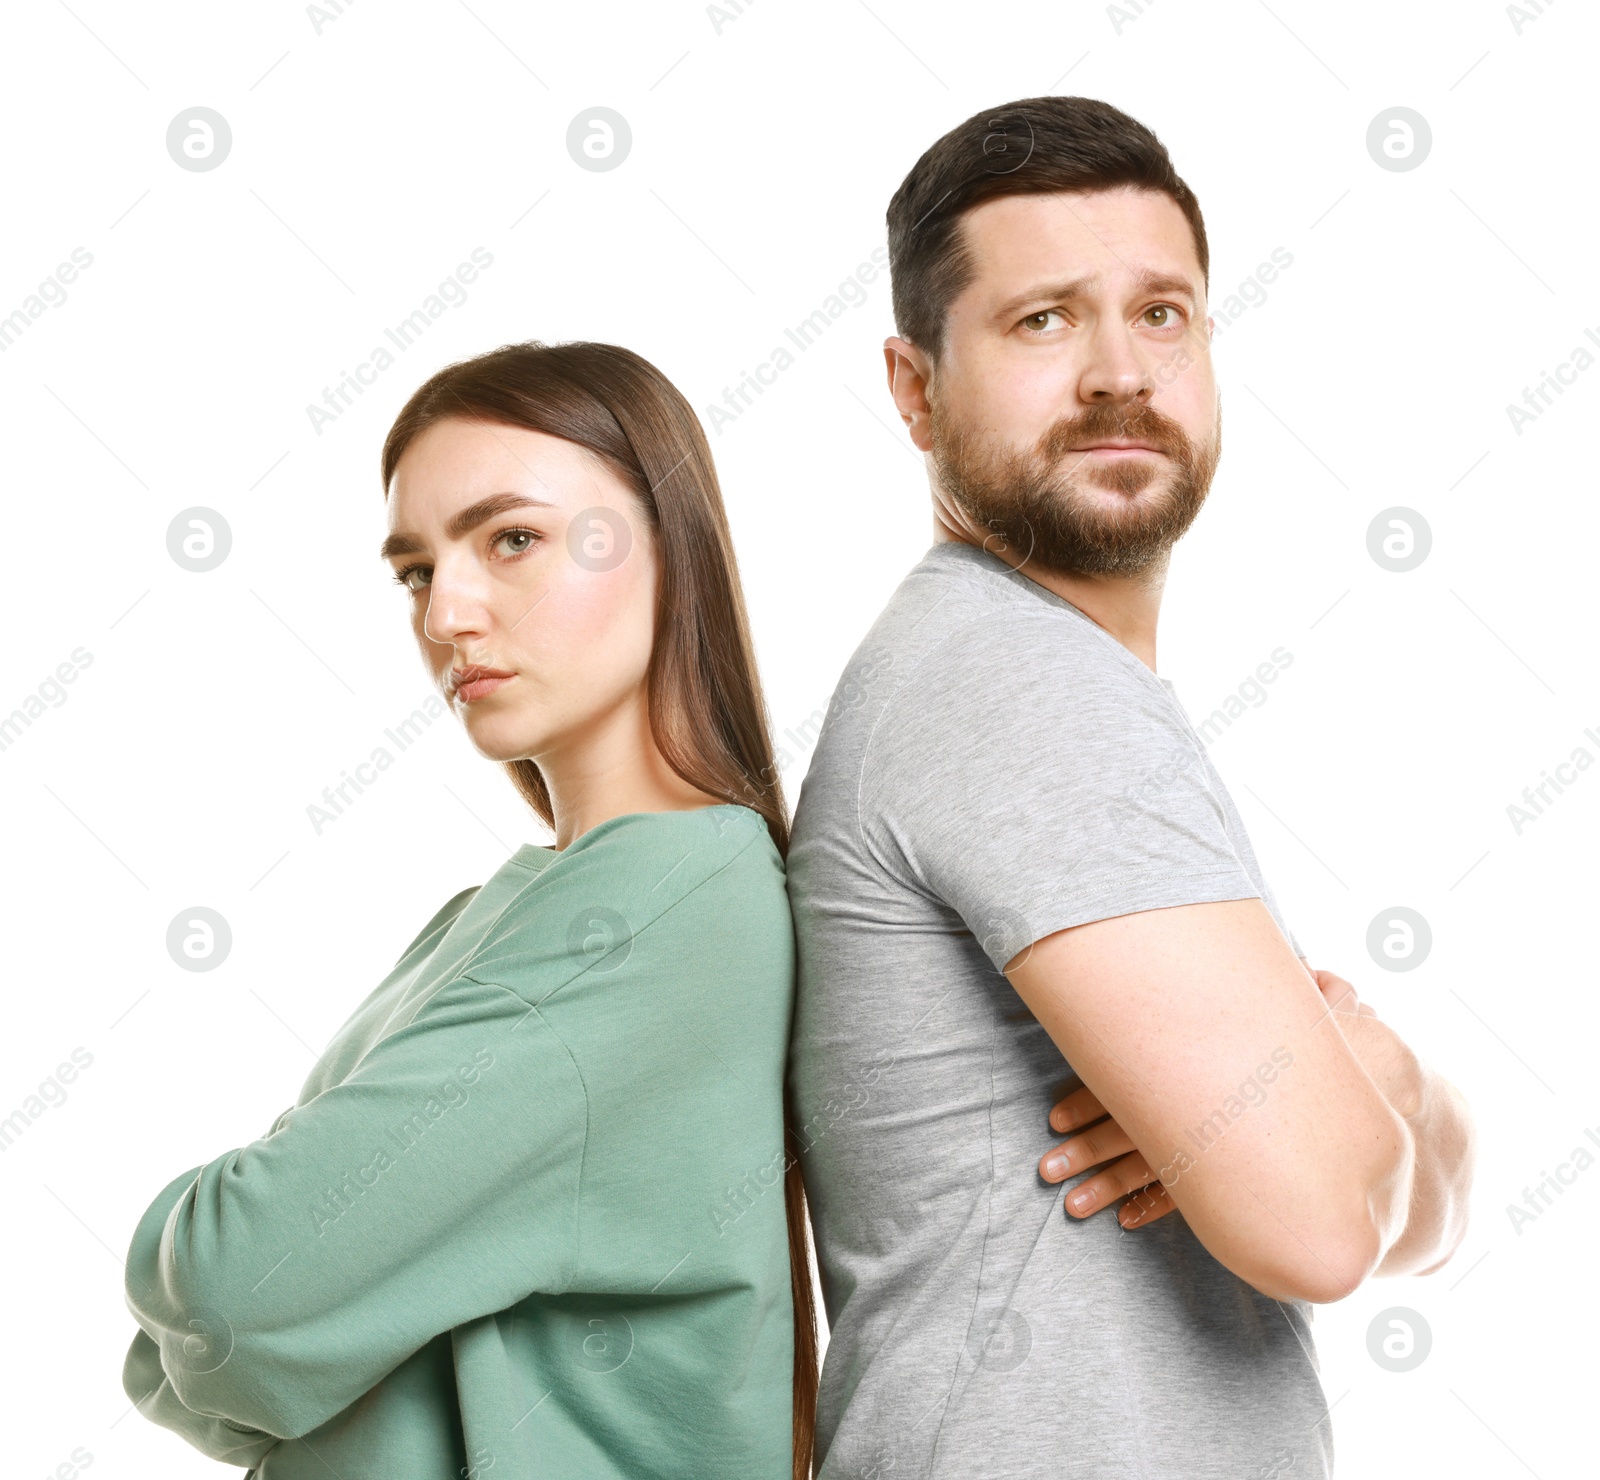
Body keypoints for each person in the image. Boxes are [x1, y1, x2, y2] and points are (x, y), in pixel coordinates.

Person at [786, 96, 1476, 1478]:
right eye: (1042, 321)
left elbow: (1408, 1202)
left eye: (1161, 314)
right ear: (913, 386)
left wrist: (1366, 1089)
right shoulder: (1017, 686)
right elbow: (1326, 1227)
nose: (1118, 372)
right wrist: (1351, 1094)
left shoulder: (1039, 677)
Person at [120, 341, 819, 1479]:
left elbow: (232, 1297)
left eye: (512, 539)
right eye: (413, 569)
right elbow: (222, 1344)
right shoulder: (502, 911)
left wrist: (242, 1300)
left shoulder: (654, 910)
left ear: (669, 547)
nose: (446, 612)